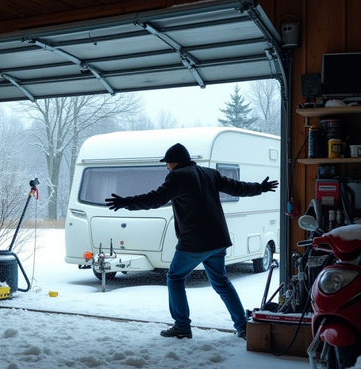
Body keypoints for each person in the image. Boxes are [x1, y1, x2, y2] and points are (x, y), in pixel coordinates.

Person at [105, 143, 278, 339]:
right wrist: (260, 188)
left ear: (173, 163)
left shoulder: (178, 176)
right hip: (218, 239)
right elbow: (236, 187)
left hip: (195, 242)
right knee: (221, 282)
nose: (166, 167)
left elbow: (156, 198)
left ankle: (182, 326)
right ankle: (243, 326)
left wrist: (126, 202)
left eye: (167, 164)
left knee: (175, 277)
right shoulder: (209, 173)